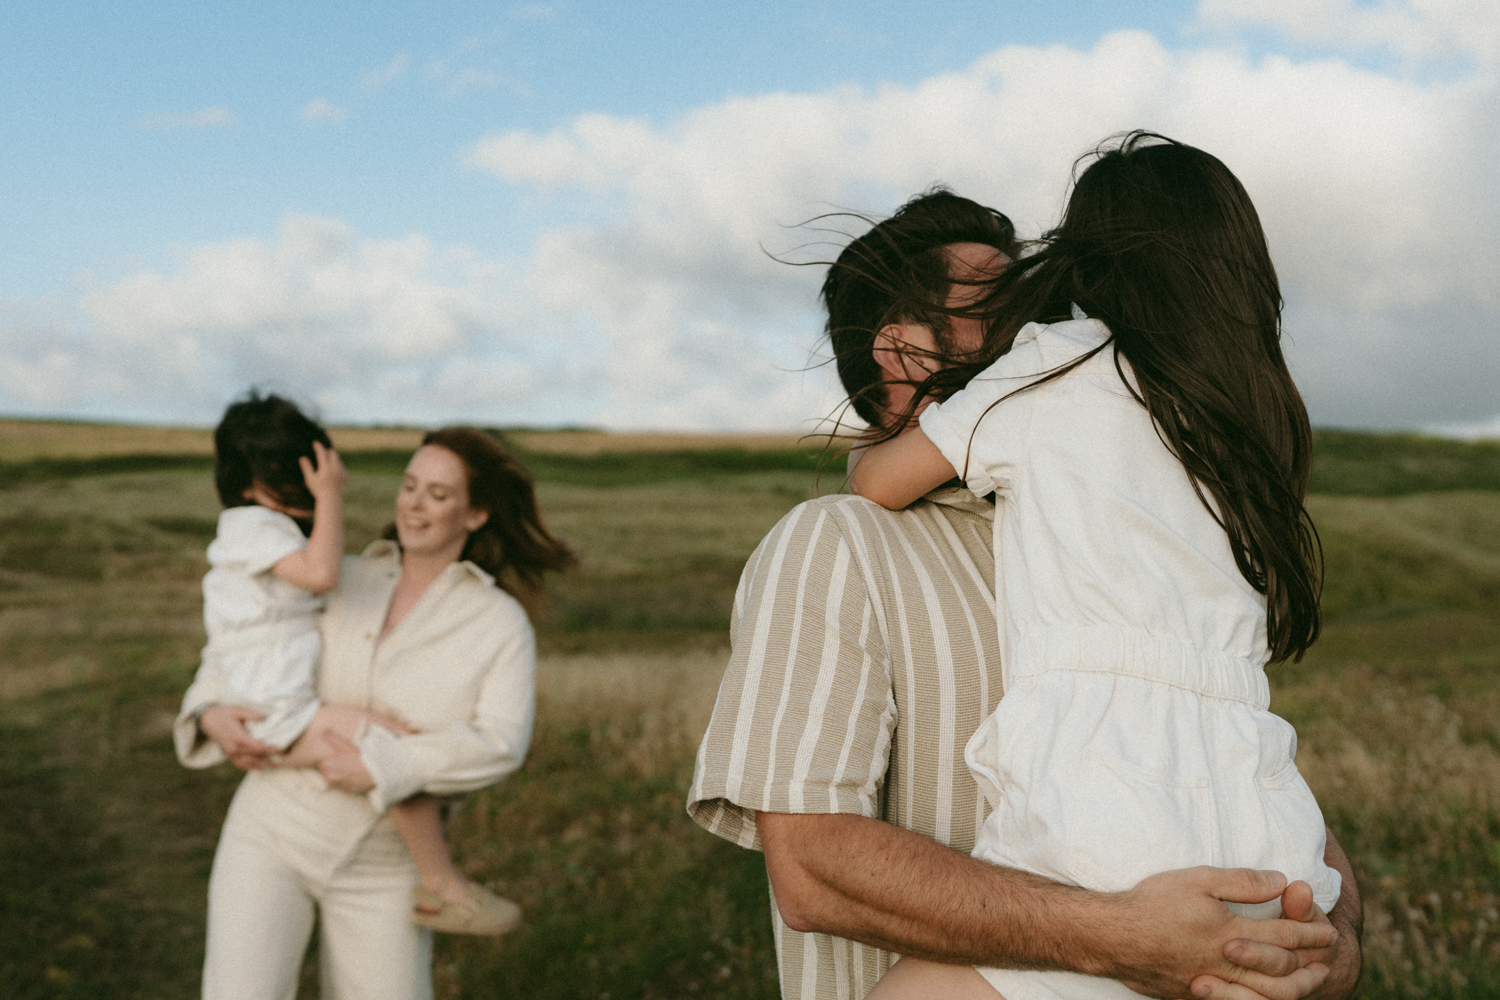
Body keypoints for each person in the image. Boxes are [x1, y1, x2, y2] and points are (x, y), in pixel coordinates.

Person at [688, 187, 1362, 1000]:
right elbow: (813, 869)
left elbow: (1235, 750)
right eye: (994, 310)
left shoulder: (1109, 522)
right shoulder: (838, 543)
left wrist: (1338, 941)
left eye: (1036, 304)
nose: (1034, 329)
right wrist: (1119, 937)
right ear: (899, 350)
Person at [850, 135, 1339, 999]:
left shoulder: (1053, 366)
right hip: (1261, 811)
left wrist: (875, 439)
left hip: (1107, 795)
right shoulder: (1244, 416)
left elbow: (880, 484)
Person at [175, 426, 575, 999]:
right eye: (409, 486)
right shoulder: (338, 573)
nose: (414, 505)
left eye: (438, 494)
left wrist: (384, 765)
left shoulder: (497, 623)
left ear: (476, 514)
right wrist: (207, 709)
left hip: (385, 865)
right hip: (270, 832)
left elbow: (500, 744)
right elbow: (245, 641)